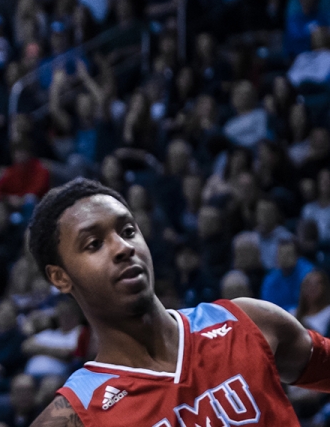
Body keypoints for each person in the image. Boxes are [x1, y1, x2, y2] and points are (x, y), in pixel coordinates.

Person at [23, 178, 330, 426]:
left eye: (128, 231)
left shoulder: (248, 321)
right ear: (60, 277)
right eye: (94, 244)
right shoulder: (76, 413)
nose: (123, 248)